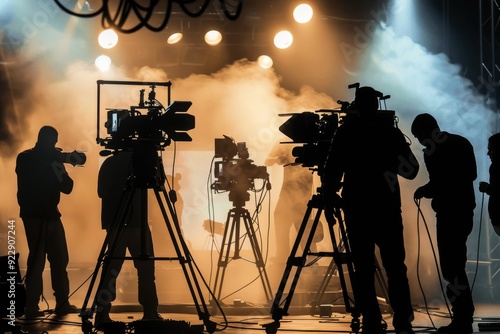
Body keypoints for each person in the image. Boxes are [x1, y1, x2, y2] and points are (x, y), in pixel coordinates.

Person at [323, 86, 419, 334]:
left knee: (363, 268)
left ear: (356, 105)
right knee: (396, 267)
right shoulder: (390, 132)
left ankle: (372, 321)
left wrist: (329, 197)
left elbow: (332, 168)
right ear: (376, 105)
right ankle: (402, 321)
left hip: (357, 208)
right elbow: (412, 170)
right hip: (386, 208)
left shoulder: (346, 131)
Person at [411, 113, 476, 334]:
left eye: (419, 136)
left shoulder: (432, 151)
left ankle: (462, 318)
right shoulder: (461, 142)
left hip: (449, 213)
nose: (420, 142)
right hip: (465, 210)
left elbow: (440, 182)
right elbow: (471, 174)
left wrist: (425, 190)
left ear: (423, 132)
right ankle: (463, 316)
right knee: (456, 265)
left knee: (451, 267)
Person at [15, 125, 77, 318]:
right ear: (51, 141)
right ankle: (33, 306)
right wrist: (56, 162)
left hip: (46, 214)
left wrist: (57, 163)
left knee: (56, 260)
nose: (54, 145)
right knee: (39, 261)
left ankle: (58, 303)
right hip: (37, 215)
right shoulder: (27, 158)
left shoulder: (27, 158)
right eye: (53, 141)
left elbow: (66, 187)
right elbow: (65, 186)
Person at [95, 150, 162, 326]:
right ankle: (150, 312)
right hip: (137, 223)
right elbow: (159, 184)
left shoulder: (109, 163)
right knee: (146, 269)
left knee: (111, 269)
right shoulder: (142, 164)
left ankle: (101, 313)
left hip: (115, 223)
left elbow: (101, 192)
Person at [265, 140, 314, 264]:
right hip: (288, 189)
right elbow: (267, 161)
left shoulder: (304, 140)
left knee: (302, 221)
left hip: (302, 189)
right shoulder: (281, 142)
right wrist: (278, 158)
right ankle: (283, 255)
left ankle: (310, 254)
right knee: (281, 217)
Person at [479, 133, 500, 236]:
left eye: (491, 149)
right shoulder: (494, 167)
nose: (488, 153)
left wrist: (488, 188)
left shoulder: (495, 167)